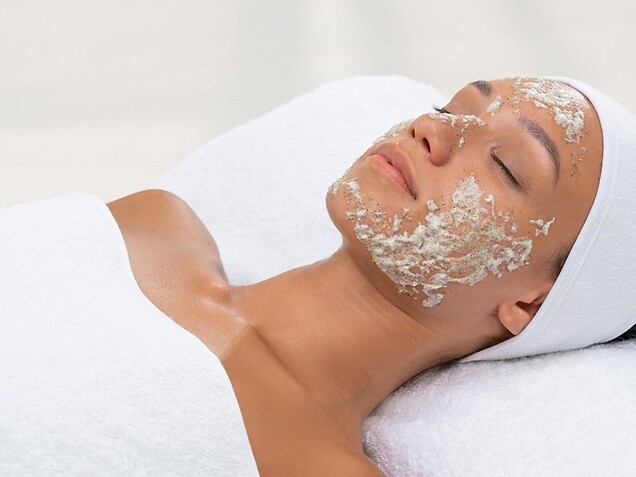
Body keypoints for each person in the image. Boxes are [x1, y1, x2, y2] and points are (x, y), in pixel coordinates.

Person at [104, 76, 636, 475]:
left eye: (505, 164)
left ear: (530, 306)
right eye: (450, 109)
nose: (432, 129)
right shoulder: (147, 229)